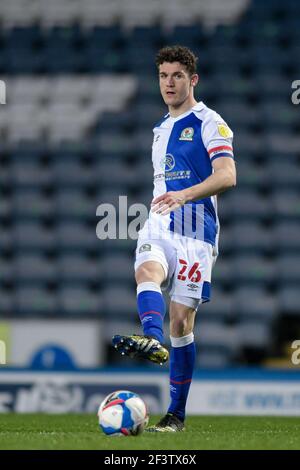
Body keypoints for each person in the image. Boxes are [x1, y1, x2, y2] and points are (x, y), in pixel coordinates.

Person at [113, 45, 236, 432]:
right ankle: (151, 337)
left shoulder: (209, 122)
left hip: (198, 228)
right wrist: (170, 200)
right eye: (163, 76)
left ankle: (176, 416)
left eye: (177, 76)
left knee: (181, 322)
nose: (169, 82)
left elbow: (228, 175)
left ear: (192, 79)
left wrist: (185, 194)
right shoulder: (160, 128)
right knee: (147, 271)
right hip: (161, 220)